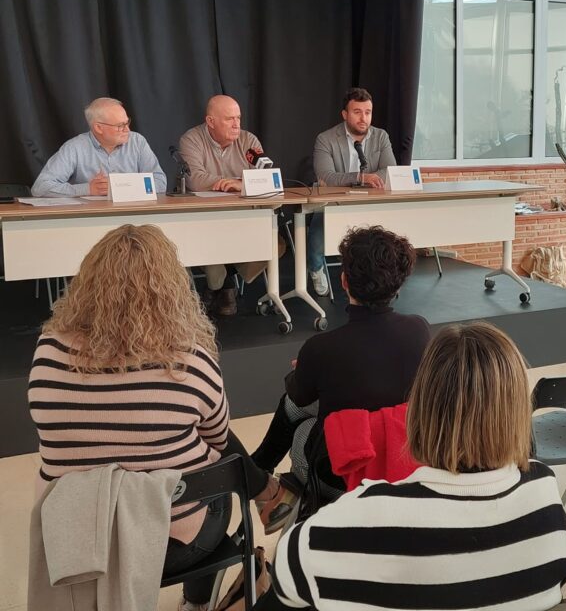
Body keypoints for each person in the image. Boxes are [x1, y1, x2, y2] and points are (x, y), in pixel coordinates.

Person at [27, 224, 295, 611]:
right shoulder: (189, 359)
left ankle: (268, 493)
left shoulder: (49, 352)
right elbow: (219, 437)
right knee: (214, 466)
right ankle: (197, 601)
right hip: (176, 546)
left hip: (74, 543)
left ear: (86, 282)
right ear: (171, 287)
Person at [254, 322, 566, 610]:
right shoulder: (544, 490)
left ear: (418, 408)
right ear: (518, 413)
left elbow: (290, 574)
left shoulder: (359, 516)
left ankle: (258, 473)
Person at [250, 225, 430, 502]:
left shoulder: (321, 348)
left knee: (300, 424)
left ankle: (262, 475)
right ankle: (259, 468)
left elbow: (300, 395)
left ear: (344, 280)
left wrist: (309, 369)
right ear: (398, 283)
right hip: (404, 461)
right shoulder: (419, 330)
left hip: (341, 475)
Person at [178, 94, 270, 316]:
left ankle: (219, 286)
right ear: (210, 121)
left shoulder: (248, 141)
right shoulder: (191, 139)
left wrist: (241, 183)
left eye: (238, 118)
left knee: (267, 236)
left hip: (243, 217)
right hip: (203, 217)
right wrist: (235, 182)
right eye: (229, 119)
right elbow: (194, 180)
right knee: (211, 233)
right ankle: (222, 285)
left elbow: (267, 178)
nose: (236, 124)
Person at [307, 88, 397, 295]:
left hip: (369, 200)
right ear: (345, 114)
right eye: (357, 112)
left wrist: (367, 181)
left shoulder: (381, 136)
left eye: (368, 112)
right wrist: (361, 178)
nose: (363, 118)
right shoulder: (326, 138)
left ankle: (381, 273)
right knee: (318, 230)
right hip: (332, 200)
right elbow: (326, 176)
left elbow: (389, 170)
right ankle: (316, 269)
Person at [31, 97, 167, 197]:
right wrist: (88, 189)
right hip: (91, 219)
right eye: (120, 125)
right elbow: (40, 187)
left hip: (133, 214)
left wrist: (122, 187)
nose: (127, 130)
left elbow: (160, 183)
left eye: (127, 122)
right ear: (98, 128)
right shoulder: (75, 147)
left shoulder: (137, 142)